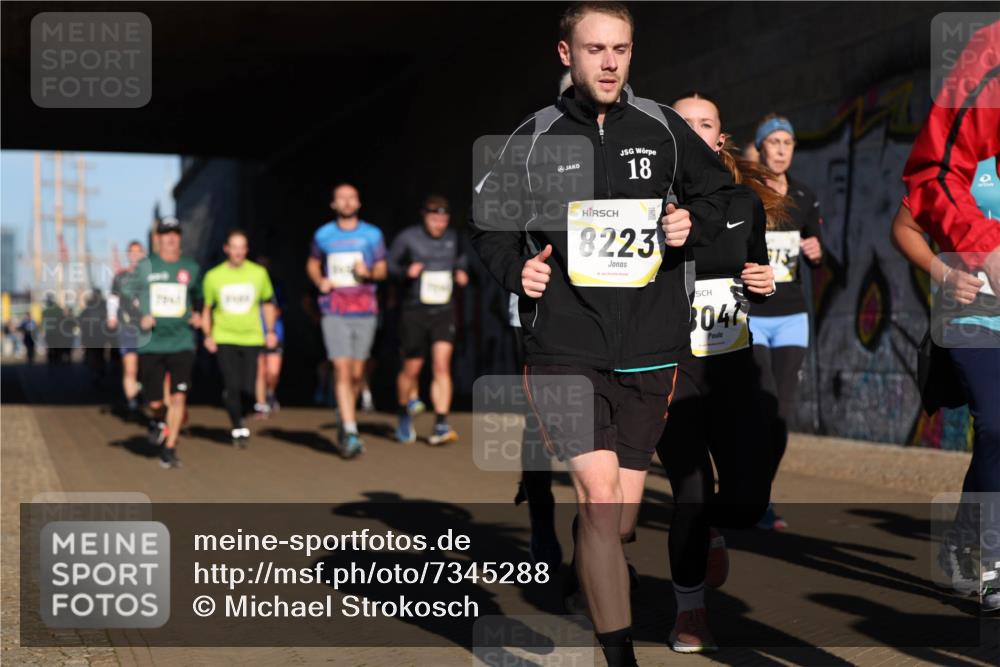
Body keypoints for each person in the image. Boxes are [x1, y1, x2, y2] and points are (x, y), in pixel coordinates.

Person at [470, 4, 734, 664]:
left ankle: (592, 555)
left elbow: (722, 194)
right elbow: (490, 227)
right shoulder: (531, 138)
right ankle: (618, 656)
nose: (611, 61)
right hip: (564, 343)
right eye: (595, 49)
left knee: (618, 517)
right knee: (598, 496)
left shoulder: (666, 130)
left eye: (621, 48)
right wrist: (515, 269)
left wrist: (689, 226)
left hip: (649, 348)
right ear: (567, 55)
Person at [654, 93, 783, 652]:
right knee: (689, 493)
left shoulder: (743, 204)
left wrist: (766, 284)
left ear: (719, 140)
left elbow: (757, 271)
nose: (691, 131)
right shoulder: (644, 204)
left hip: (733, 364)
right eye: (679, 123)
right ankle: (690, 613)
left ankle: (715, 529)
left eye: (703, 124)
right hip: (672, 369)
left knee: (749, 500)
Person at [902, 18, 1000, 612]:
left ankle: (966, 534)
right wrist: (948, 273)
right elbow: (906, 224)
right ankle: (989, 557)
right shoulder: (972, 152)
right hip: (972, 319)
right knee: (995, 426)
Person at [748, 113, 824, 531]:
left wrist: (817, 252)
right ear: (760, 148)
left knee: (782, 414)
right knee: (762, 402)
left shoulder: (804, 195)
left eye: (787, 143)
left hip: (792, 315)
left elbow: (817, 251)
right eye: (773, 142)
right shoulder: (745, 193)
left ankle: (761, 495)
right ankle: (751, 493)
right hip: (753, 315)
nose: (780, 150)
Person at [306, 183, 388, 458]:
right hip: (334, 310)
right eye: (341, 198)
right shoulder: (323, 235)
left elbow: (382, 268)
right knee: (341, 370)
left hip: (365, 309)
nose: (347, 202)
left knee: (356, 374)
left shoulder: (372, 234)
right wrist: (321, 281)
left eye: (351, 197)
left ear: (359, 202)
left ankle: (345, 417)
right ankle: (351, 432)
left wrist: (369, 272)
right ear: (333, 204)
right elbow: (312, 263)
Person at [387, 194, 469, 445]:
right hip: (415, 311)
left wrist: (462, 274)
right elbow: (389, 267)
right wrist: (405, 272)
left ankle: (441, 424)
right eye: (434, 219)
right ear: (425, 217)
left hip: (443, 311)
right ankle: (403, 415)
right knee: (412, 368)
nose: (439, 225)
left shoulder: (455, 239)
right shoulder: (407, 238)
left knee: (442, 365)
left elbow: (462, 263)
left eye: (444, 219)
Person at [132, 216, 203, 468]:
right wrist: (141, 316)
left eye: (175, 233)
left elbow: (200, 297)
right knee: (154, 402)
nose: (171, 237)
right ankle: (159, 419)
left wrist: (199, 315)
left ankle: (170, 448)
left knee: (178, 397)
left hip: (182, 342)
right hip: (152, 344)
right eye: (166, 233)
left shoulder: (191, 268)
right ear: (157, 238)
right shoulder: (145, 267)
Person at [202, 229, 278, 448]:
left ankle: (239, 411)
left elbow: (267, 303)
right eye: (233, 247)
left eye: (241, 247)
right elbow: (207, 308)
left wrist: (270, 331)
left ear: (246, 250)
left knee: (248, 388)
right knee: (232, 384)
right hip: (224, 336)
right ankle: (237, 426)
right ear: (226, 249)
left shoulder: (258, 274)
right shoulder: (213, 276)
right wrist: (208, 335)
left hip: (252, 337)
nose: (237, 251)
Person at [108, 241, 147, 418]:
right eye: (132, 252)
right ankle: (132, 403)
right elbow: (113, 299)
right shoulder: (120, 277)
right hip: (128, 328)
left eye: (139, 252)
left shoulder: (150, 276)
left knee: (147, 368)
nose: (135, 256)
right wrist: (112, 317)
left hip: (148, 330)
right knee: (130, 368)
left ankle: (146, 394)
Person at [253, 255, 284, 416]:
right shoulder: (250, 284)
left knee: (273, 371)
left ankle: (270, 392)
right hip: (255, 332)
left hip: (274, 333)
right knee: (260, 370)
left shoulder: (276, 286)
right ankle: (261, 403)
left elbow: (280, 308)